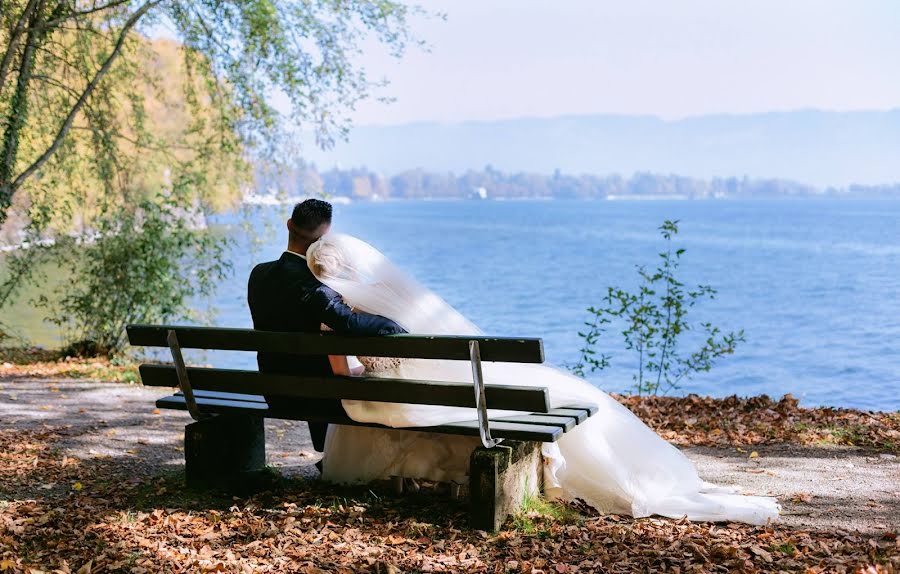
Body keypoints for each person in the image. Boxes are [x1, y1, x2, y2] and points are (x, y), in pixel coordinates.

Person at [306, 233, 781, 525]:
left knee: (386, 402)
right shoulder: (399, 306)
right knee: (549, 396)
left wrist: (376, 375)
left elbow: (344, 375)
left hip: (368, 406)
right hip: (412, 405)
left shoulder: (332, 319)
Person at [247, 200, 405, 453]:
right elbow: (349, 322)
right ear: (324, 238)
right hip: (317, 394)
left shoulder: (259, 274)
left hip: (273, 389)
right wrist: (395, 325)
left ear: (289, 224)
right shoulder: (315, 285)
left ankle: (331, 454)